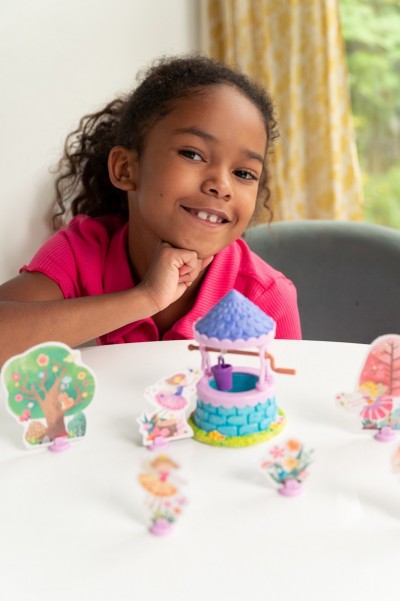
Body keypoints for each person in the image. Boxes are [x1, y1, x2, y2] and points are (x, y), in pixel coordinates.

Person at [0, 54, 301, 367]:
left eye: (244, 173)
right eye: (193, 154)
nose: (222, 185)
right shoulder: (81, 255)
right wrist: (146, 298)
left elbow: (288, 393)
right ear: (126, 168)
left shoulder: (266, 297)